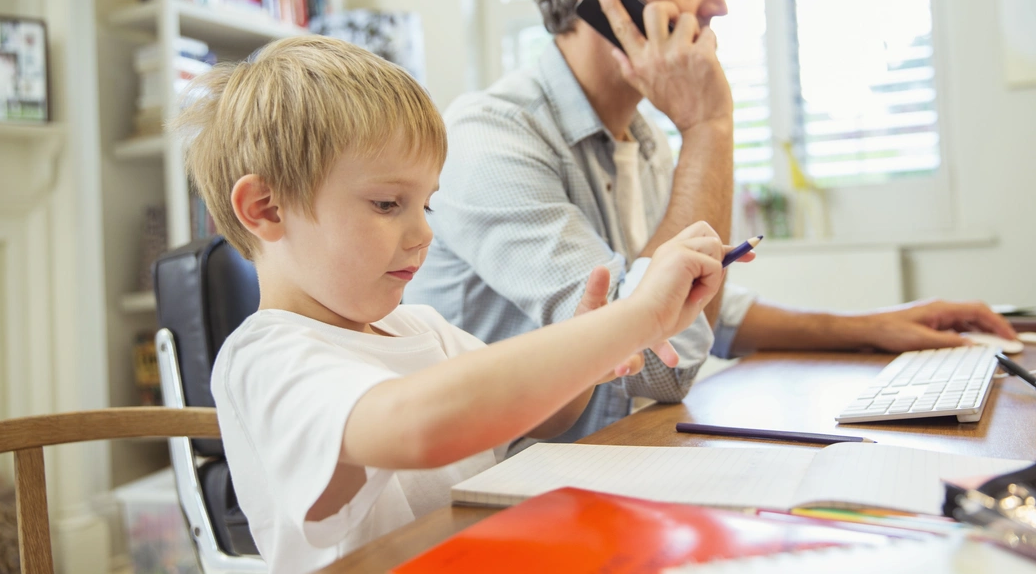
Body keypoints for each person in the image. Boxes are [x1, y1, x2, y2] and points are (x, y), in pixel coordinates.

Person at [404, 0, 1016, 444]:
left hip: (614, 454)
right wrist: (708, 128)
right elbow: (647, 356)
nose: (717, 2)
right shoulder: (490, 138)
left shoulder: (641, 136)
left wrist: (873, 329)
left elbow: (705, 310)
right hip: (505, 486)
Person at [173, 34, 741, 572]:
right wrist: (631, 316)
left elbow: (536, 419)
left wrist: (586, 358)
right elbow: (419, 427)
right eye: (388, 203)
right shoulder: (267, 357)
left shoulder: (420, 326)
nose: (423, 234)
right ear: (266, 209)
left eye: (427, 206)